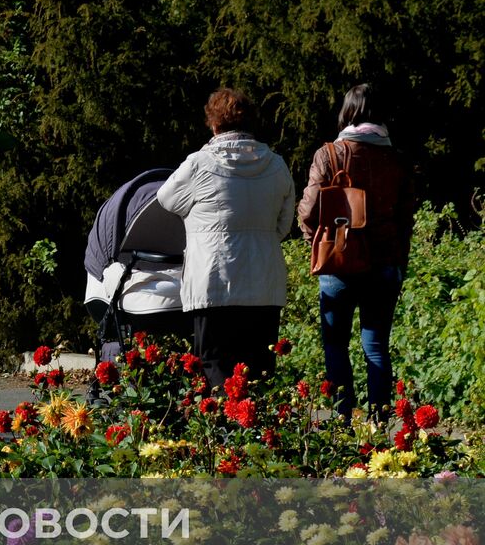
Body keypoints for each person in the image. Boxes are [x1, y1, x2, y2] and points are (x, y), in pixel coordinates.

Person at [157, 88, 295, 386]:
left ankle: (221, 430)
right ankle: (257, 430)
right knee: (259, 367)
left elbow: (166, 199)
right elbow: (283, 227)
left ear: (214, 123)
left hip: (213, 282)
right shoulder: (276, 165)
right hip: (263, 283)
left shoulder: (199, 164)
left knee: (213, 364)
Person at [297, 84, 414, 420]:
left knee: (336, 345)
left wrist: (316, 243)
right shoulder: (398, 160)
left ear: (347, 113)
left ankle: (342, 422)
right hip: (385, 264)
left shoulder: (329, 155)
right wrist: (399, 262)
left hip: (339, 262)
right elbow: (406, 218)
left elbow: (308, 211)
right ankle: (380, 424)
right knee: (376, 346)